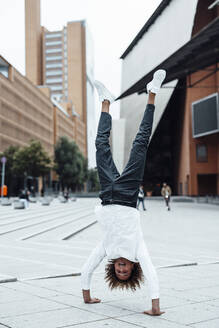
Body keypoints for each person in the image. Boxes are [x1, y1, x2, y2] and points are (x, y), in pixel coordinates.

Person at [81, 70, 166, 316]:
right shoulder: (137, 250)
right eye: (125, 271)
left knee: (100, 145)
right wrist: (155, 308)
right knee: (140, 143)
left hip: (107, 193)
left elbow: (87, 268)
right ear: (132, 267)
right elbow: (151, 273)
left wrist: (87, 297)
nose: (121, 269)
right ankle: (152, 93)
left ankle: (105, 101)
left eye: (118, 271)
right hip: (128, 195)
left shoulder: (107, 248)